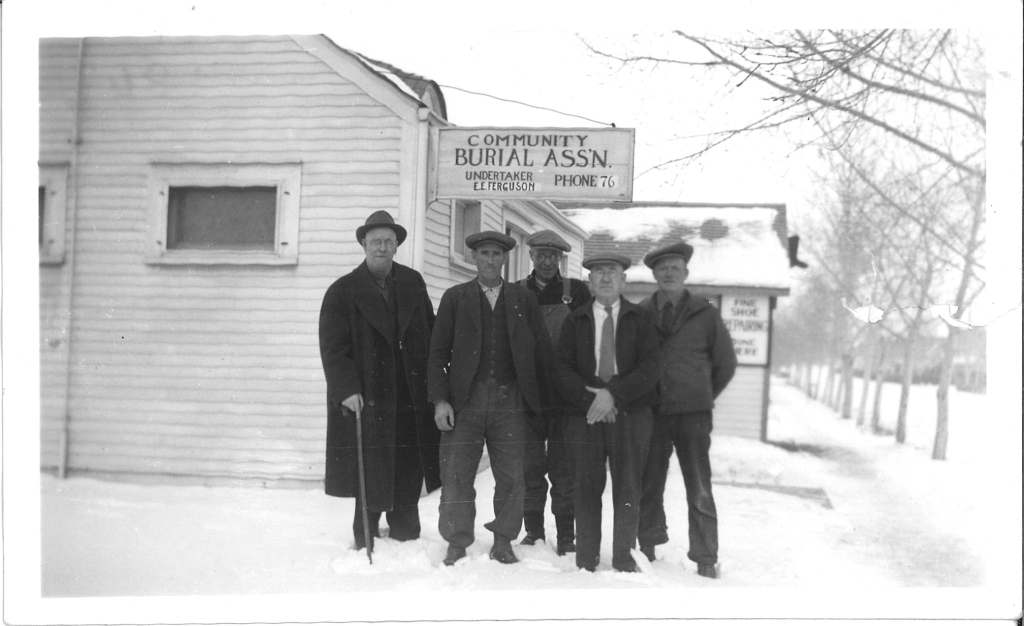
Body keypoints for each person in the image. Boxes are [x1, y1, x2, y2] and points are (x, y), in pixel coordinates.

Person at [427, 231, 553, 566]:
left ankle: (503, 541)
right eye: (484, 253)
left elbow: (541, 353)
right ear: (474, 258)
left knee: (512, 476)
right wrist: (440, 400)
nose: (490, 260)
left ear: (505, 259)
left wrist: (535, 403)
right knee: (456, 475)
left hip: (509, 400)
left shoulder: (522, 299)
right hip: (464, 401)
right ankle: (456, 541)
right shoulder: (456, 298)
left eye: (496, 254)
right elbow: (437, 354)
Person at [318, 210, 441, 551]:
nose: (382, 248)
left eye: (388, 241)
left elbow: (430, 333)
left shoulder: (413, 282)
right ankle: (367, 533)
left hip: (408, 395)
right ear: (363, 244)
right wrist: (346, 389)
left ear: (397, 246)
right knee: (370, 467)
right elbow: (333, 348)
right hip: (368, 398)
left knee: (407, 463)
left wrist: (434, 385)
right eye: (375, 242)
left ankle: (405, 529)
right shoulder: (343, 291)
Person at [553, 252, 661, 573]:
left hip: (630, 415)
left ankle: (624, 558)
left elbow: (651, 367)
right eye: (598, 272)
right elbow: (562, 368)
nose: (605, 277)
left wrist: (613, 395)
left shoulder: (641, 320)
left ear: (624, 279)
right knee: (586, 486)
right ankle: (586, 559)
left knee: (628, 486)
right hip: (586, 416)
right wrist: (594, 401)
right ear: (589, 280)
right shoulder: (576, 320)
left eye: (612, 272)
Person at [637, 242, 737, 579]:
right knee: (649, 482)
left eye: (674, 268)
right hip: (653, 413)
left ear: (685, 273)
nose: (668, 273)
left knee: (699, 485)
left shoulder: (705, 311)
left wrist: (703, 394)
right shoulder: (640, 313)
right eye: (662, 268)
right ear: (654, 274)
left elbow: (725, 363)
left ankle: (706, 556)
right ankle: (647, 544)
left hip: (693, 415)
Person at [518, 230, 591, 554]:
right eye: (541, 254)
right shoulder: (516, 291)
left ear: (560, 258)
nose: (547, 261)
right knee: (530, 467)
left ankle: (566, 536)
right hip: (529, 397)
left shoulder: (576, 291)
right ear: (531, 256)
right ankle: (533, 531)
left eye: (553, 255)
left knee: (564, 469)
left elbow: (588, 341)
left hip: (566, 398)